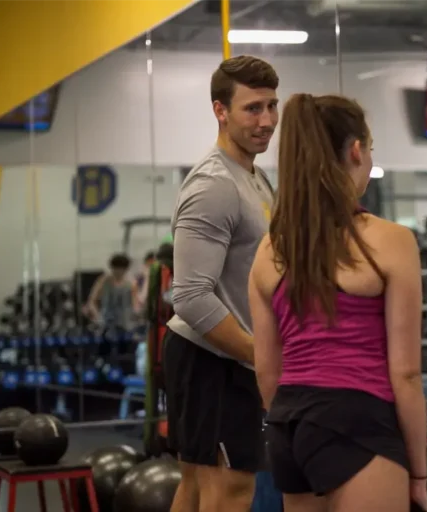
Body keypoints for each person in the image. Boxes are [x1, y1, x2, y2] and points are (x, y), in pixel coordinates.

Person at [248, 93, 427, 512]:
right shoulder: (391, 241)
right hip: (358, 423)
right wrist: (418, 473)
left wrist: (303, 424)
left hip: (290, 427)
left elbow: (267, 372)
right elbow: (406, 374)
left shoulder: (269, 251)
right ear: (356, 150)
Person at [163, 55, 279, 512]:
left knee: (197, 489)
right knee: (228, 491)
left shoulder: (255, 178)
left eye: (272, 106)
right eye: (253, 108)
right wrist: (260, 355)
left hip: (227, 360)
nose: (266, 120)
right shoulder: (213, 184)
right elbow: (190, 296)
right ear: (220, 110)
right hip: (212, 359)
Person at [83, 253, 140, 332]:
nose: (118, 272)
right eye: (116, 269)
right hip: (106, 321)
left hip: (125, 322)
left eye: (121, 269)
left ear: (126, 269)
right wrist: (98, 317)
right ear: (112, 268)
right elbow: (92, 301)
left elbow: (135, 303)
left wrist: (136, 314)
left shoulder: (131, 283)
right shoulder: (103, 281)